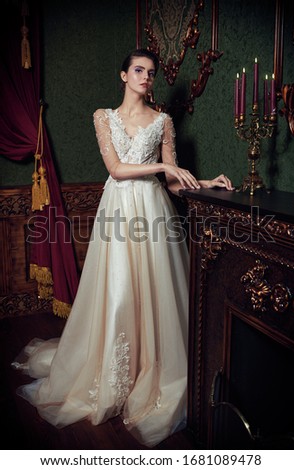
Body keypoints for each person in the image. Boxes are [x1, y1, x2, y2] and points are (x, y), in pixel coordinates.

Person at [12, 48, 234, 448]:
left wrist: (203, 184)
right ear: (123, 75)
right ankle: (113, 374)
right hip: (118, 209)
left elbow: (171, 183)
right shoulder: (103, 116)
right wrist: (163, 167)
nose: (146, 77)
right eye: (139, 70)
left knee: (155, 294)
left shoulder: (164, 122)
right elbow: (115, 169)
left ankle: (152, 369)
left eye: (151, 72)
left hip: (153, 212)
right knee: (119, 293)